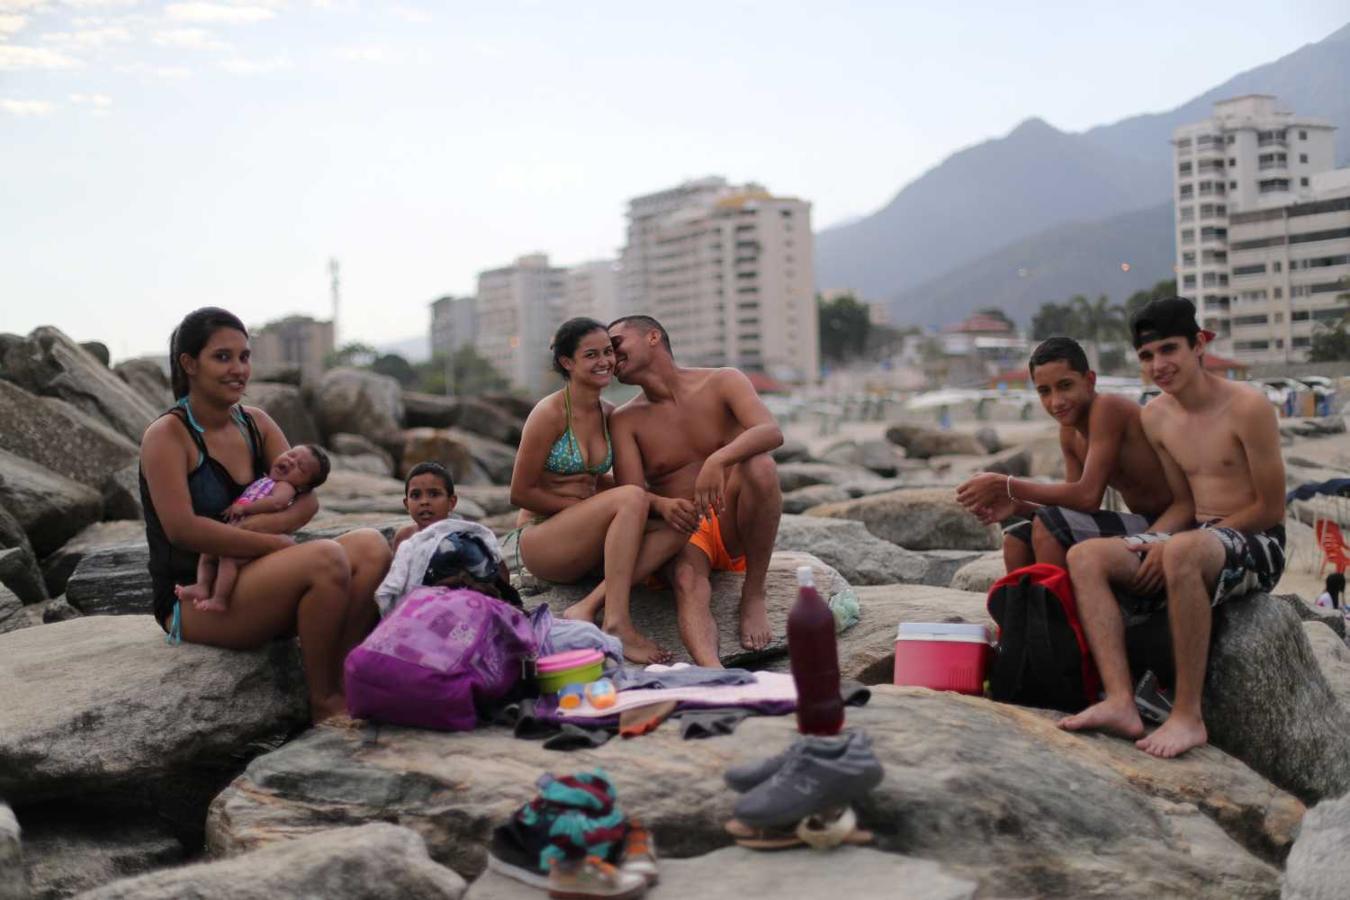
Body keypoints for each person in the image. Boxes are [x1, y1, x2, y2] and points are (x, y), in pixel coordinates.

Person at [1058, 298, 1286, 758]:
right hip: (1196, 534)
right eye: (1146, 356)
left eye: (1169, 350)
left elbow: (1270, 507)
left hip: (1258, 541)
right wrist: (1147, 542)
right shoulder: (1156, 417)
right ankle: (1121, 699)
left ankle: (1188, 716)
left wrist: (1179, 545)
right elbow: (1184, 503)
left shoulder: (1249, 408)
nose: (1158, 365)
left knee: (1181, 552)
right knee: (1088, 556)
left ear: (1199, 345)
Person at [140, 307, 392, 724]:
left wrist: (261, 529)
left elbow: (306, 500)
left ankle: (347, 679)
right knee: (326, 557)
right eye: (223, 357)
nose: (239, 369)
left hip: (261, 576)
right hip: (196, 599)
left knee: (369, 546)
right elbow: (182, 531)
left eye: (245, 356)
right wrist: (272, 543)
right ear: (189, 364)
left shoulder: (255, 423)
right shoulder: (167, 436)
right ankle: (322, 700)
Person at [606, 314, 784, 667]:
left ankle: (753, 593)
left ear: (653, 336)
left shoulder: (722, 381)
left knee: (760, 466)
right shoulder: (625, 420)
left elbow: (770, 431)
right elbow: (630, 494)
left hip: (732, 520)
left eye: (616, 344)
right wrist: (664, 504)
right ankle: (713, 674)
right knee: (688, 579)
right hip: (683, 532)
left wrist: (717, 460)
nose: (611, 358)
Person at [507, 317, 685, 664]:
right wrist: (574, 507)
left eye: (608, 351)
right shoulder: (550, 413)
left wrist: (663, 503)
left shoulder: (610, 415)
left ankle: (588, 605)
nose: (604, 361)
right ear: (567, 363)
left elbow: (606, 484)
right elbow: (520, 492)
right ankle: (617, 621)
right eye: (591, 354)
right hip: (542, 539)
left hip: (585, 541)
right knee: (632, 496)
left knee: (681, 524)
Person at [956, 337, 1172, 571]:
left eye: (1065, 386)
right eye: (1044, 391)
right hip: (1144, 524)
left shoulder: (1108, 408)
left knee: (1048, 528)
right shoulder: (1069, 433)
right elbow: (1075, 509)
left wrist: (1005, 485)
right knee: (1016, 541)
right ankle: (1036, 606)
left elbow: (1087, 496)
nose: (1056, 401)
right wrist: (1018, 506)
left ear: (1089, 380)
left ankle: (1059, 606)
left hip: (1173, 525)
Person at [175, 443, 331, 612]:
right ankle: (203, 586)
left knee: (228, 559)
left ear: (304, 486)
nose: (292, 462)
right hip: (236, 531)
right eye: (291, 454)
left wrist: (245, 508)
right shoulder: (266, 480)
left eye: (301, 467)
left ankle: (220, 599)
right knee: (208, 552)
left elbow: (277, 503)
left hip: (255, 540)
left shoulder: (285, 487)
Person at [393, 461, 458, 551]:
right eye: (415, 495)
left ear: (451, 502)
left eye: (434, 494)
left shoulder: (461, 538)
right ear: (406, 504)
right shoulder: (404, 537)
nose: (424, 502)